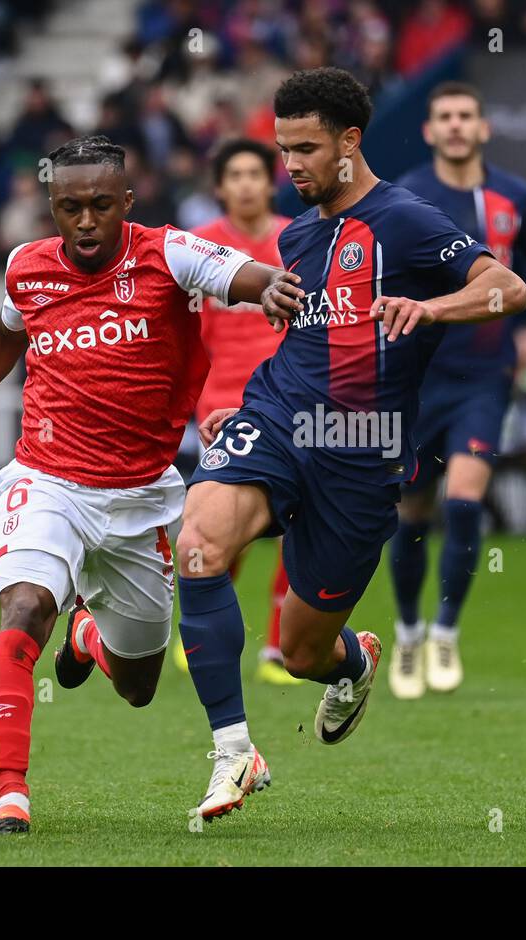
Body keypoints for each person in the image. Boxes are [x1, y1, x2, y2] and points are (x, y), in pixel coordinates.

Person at [0, 134, 295, 835]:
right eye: (70, 208)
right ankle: (12, 798)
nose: (86, 222)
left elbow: (243, 273)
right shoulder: (29, 267)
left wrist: (271, 288)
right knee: (23, 608)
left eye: (101, 207)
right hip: (46, 480)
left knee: (140, 686)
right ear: (51, 206)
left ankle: (84, 636)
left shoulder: (167, 253)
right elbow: (4, 336)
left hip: (141, 497)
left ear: (128, 203)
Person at [176, 68, 526, 819]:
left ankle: (356, 661)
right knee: (200, 545)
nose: (291, 166)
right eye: (283, 150)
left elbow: (509, 288)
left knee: (303, 652)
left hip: (362, 457)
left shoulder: (406, 219)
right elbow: (303, 340)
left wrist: (432, 310)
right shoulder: (298, 234)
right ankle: (234, 754)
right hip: (275, 421)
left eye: (305, 148)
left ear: (350, 141)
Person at [386, 81, 526, 699]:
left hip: (485, 378)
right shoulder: (406, 195)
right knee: (412, 514)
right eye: (446, 117)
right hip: (417, 379)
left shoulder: (516, 196)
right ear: (430, 130)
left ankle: (445, 631)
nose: (457, 126)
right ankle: (407, 633)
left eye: (467, 116)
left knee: (464, 501)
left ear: (483, 128)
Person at [168, 138, 298, 686]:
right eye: (235, 175)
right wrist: (196, 403)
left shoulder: (296, 240)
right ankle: (200, 624)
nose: (246, 183)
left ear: (270, 182)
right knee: (226, 527)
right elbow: (190, 338)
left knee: (300, 525)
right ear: (219, 187)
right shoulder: (201, 249)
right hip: (222, 404)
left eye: (255, 173)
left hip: (291, 400)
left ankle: (278, 646)